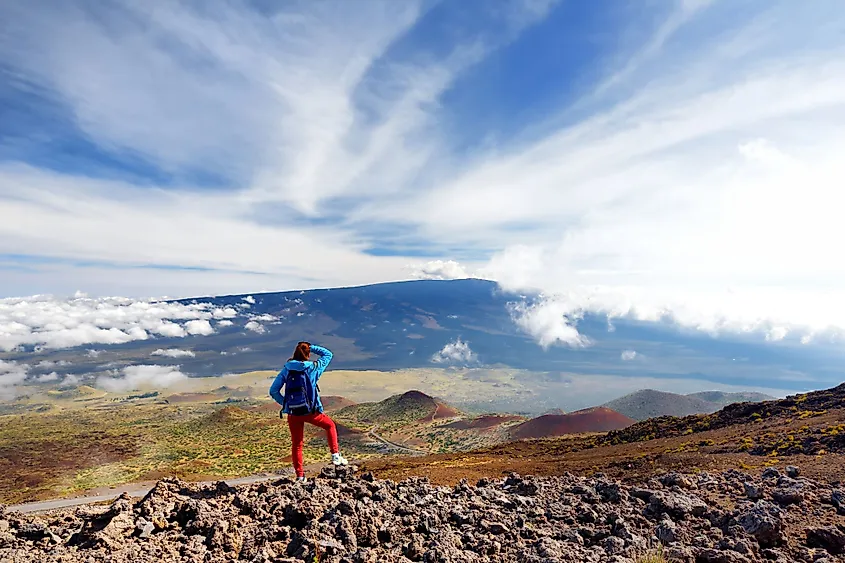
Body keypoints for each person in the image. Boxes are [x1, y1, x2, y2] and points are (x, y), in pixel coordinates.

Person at [269, 341, 348, 481]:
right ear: (308, 354)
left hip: (293, 413)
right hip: (311, 411)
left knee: (297, 444)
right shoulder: (314, 368)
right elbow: (328, 354)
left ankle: (300, 476)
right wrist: (312, 347)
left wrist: (286, 405)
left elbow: (273, 391)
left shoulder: (287, 369)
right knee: (330, 425)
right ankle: (335, 455)